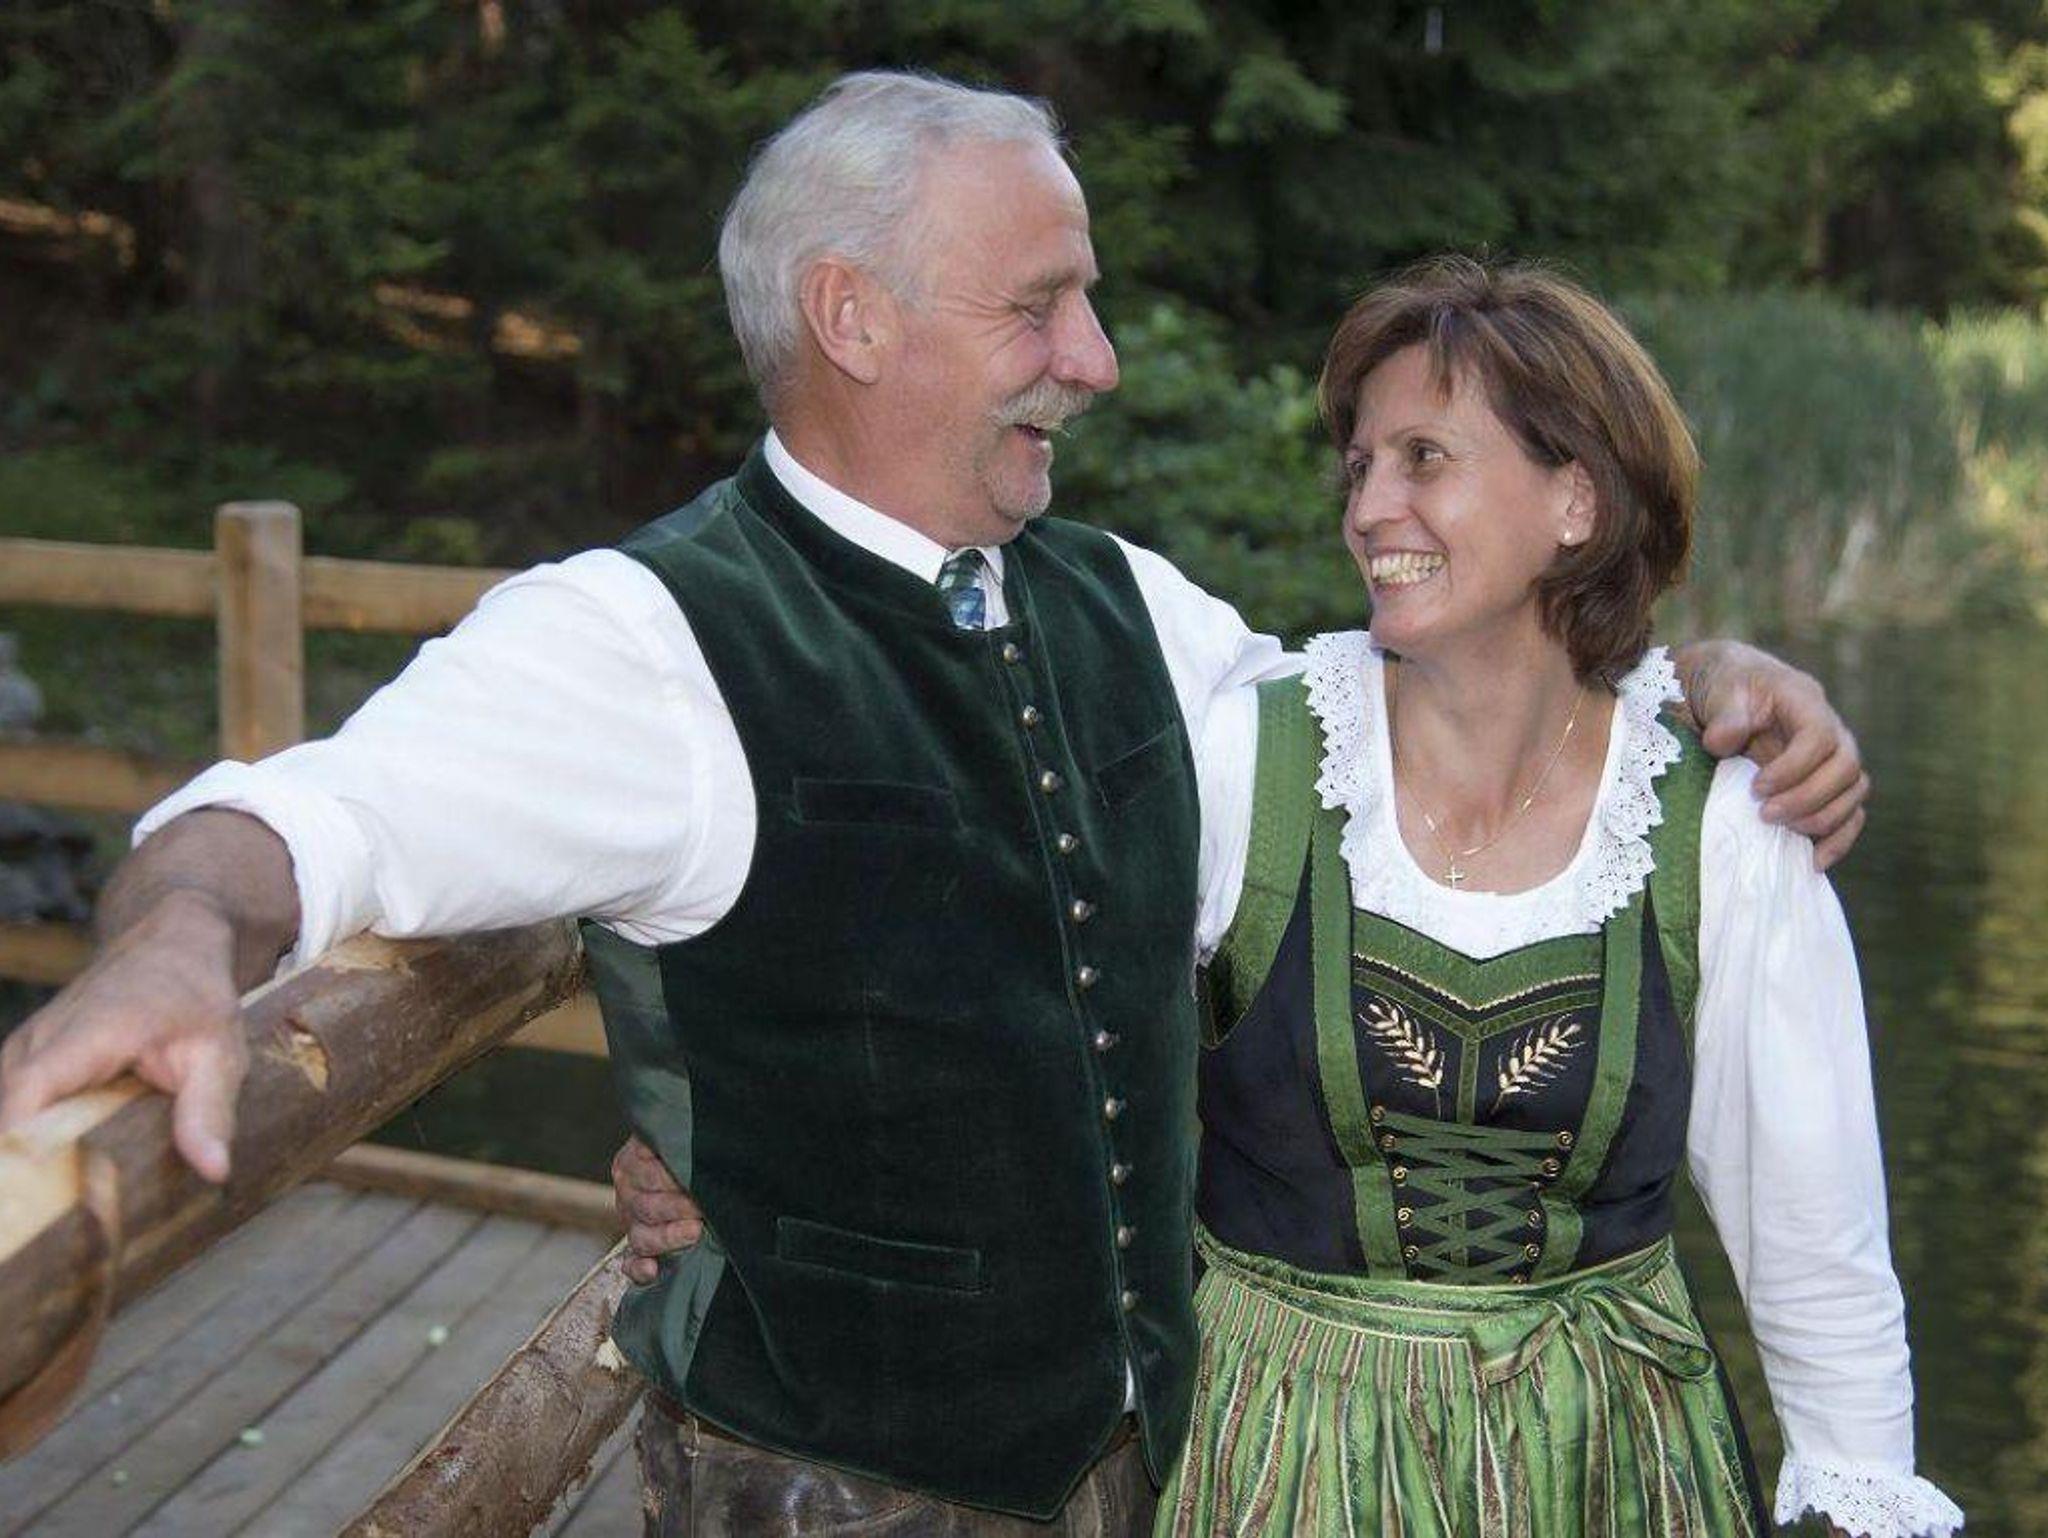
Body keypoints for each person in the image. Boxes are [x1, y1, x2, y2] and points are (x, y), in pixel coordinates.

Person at [0, 76, 1867, 1537]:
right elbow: (310, 818)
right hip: (831, 1493)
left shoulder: (1140, 613)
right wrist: (175, 944)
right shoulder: (646, 643)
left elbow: (1437, 714)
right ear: (855, 319)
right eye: (1044, 306)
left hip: (1159, 1470)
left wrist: (1702, 679)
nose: (1098, 359)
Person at [617, 258, 1959, 1538]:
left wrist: (1858, 1495)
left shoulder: (1723, 824)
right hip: (1277, 1452)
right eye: (1361, 464)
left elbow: (1815, 1251)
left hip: (1602, 1460)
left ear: (1578, 500)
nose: (1370, 508)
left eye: (1425, 457)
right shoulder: (1245, 757)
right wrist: (742, 1146)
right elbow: (997, 1002)